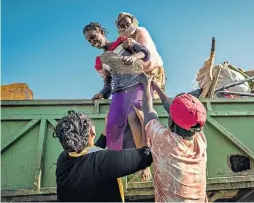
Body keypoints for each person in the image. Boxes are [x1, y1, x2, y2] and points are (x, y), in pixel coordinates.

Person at [83, 22, 152, 180]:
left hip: (137, 85)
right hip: (119, 92)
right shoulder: (99, 61)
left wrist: (134, 57)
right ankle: (120, 165)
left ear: (101, 31)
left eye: (94, 37)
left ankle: (144, 163)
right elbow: (108, 83)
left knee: (133, 116)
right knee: (112, 126)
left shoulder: (123, 41)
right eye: (90, 41)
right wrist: (102, 93)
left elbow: (145, 53)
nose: (93, 42)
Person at [54, 110, 153, 202]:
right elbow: (146, 156)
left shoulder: (63, 158)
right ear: (91, 132)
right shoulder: (102, 162)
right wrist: (144, 122)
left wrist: (108, 126)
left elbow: (91, 151)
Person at [139, 73, 208, 202]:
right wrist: (156, 87)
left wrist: (146, 84)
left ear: (171, 120)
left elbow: (148, 112)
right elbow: (172, 107)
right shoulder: (200, 140)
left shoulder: (166, 142)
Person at [115, 12, 166, 99]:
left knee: (153, 98)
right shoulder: (122, 41)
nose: (126, 27)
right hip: (139, 75)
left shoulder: (141, 31)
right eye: (122, 26)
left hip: (153, 70)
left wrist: (133, 57)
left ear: (132, 22)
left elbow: (146, 51)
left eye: (128, 24)